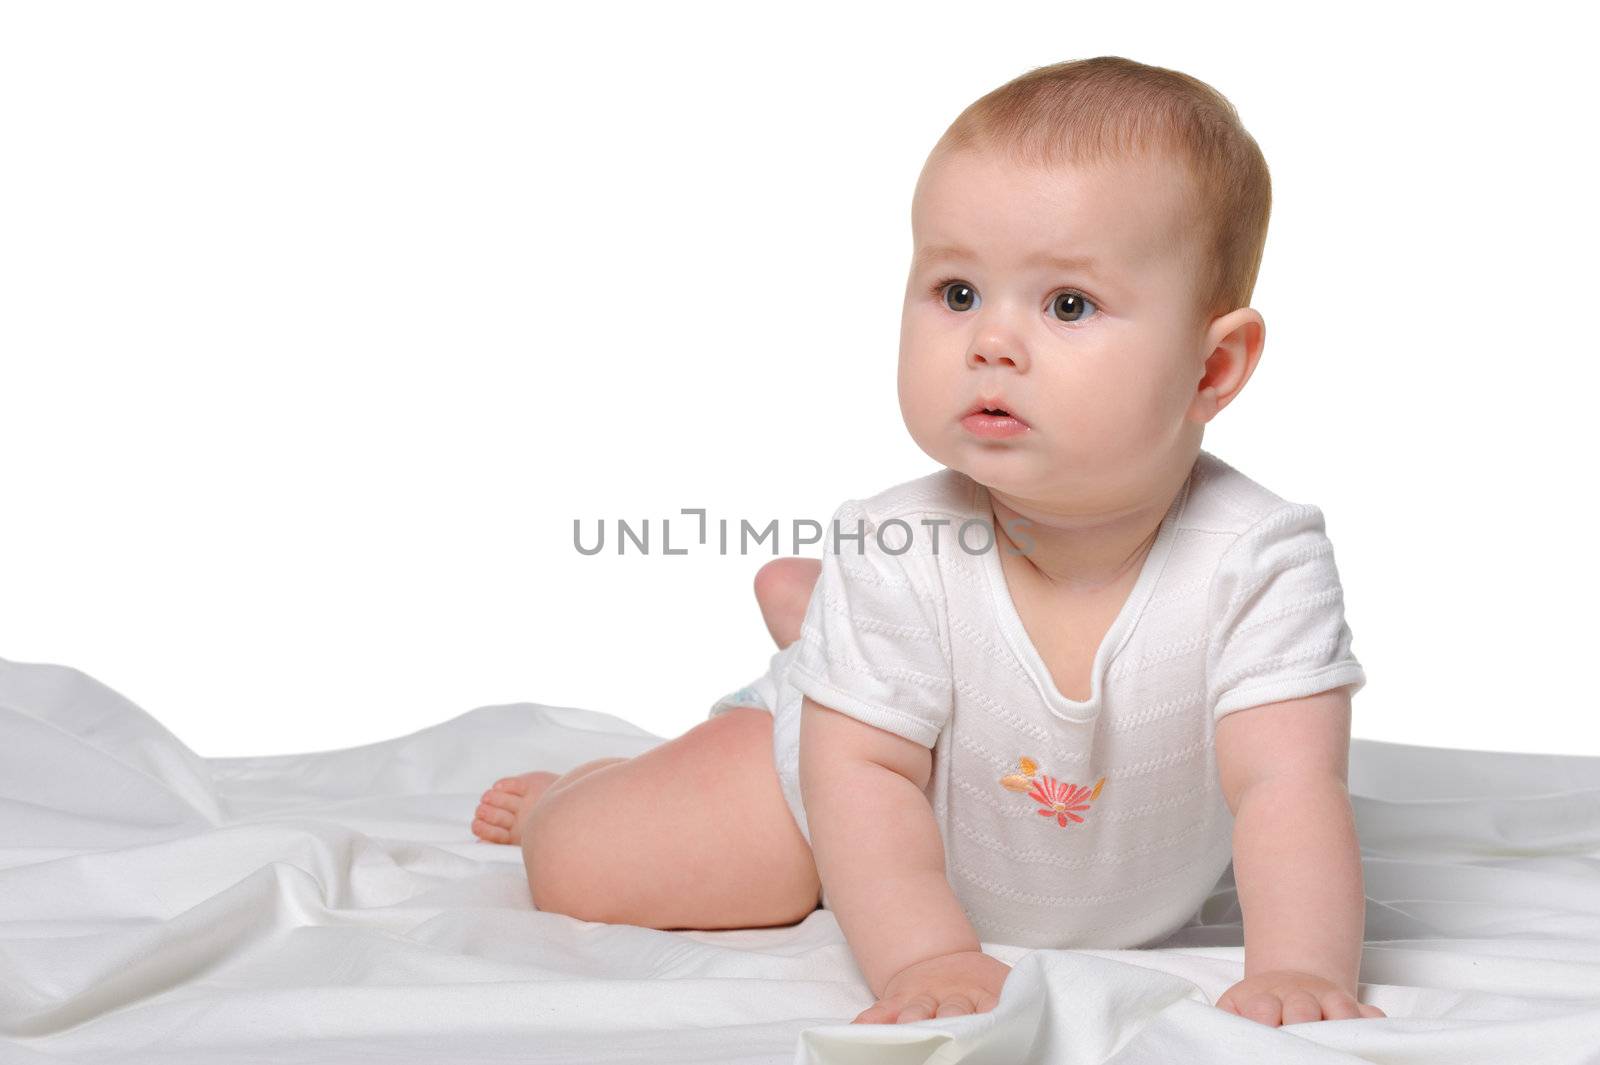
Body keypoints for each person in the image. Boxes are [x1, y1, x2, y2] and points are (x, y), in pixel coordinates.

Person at [470, 55, 1387, 1030]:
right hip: (840, 789)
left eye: (1066, 304)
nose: (990, 341)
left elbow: (1288, 784)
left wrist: (1298, 964)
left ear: (1212, 367)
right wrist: (929, 955)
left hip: (1035, 793)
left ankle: (820, 615)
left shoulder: (1259, 561)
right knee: (603, 868)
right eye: (956, 292)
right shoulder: (898, 546)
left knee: (890, 637)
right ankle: (644, 753)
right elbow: (858, 781)